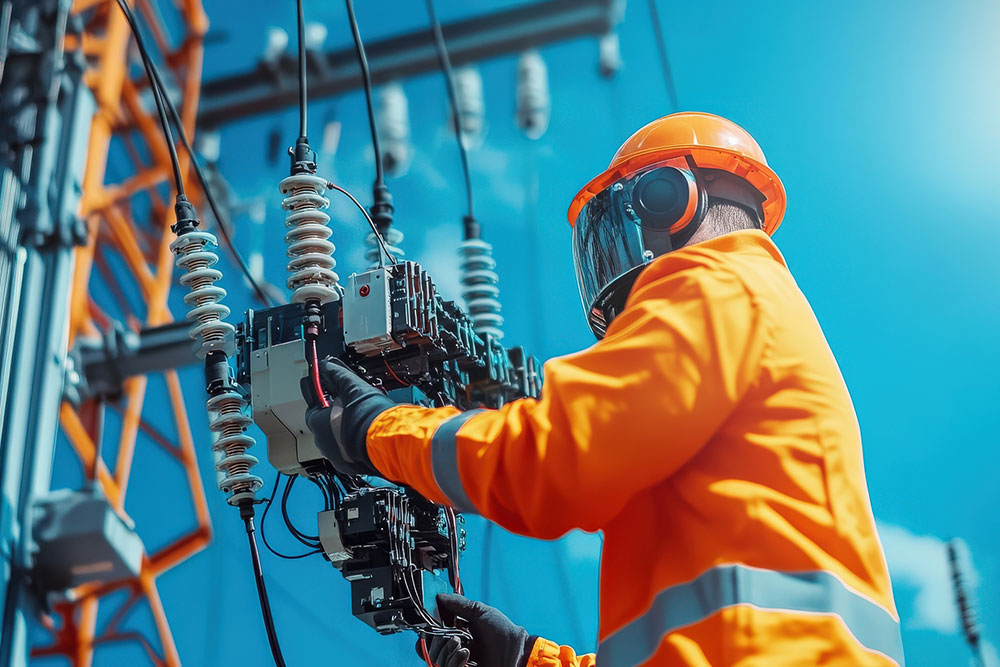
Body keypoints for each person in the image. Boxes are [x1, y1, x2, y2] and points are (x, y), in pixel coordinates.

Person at [304, 112, 903, 666]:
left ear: (671, 200)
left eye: (623, 222)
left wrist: (379, 431)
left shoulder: (714, 286)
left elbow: (554, 458)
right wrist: (526, 660)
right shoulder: (752, 306)